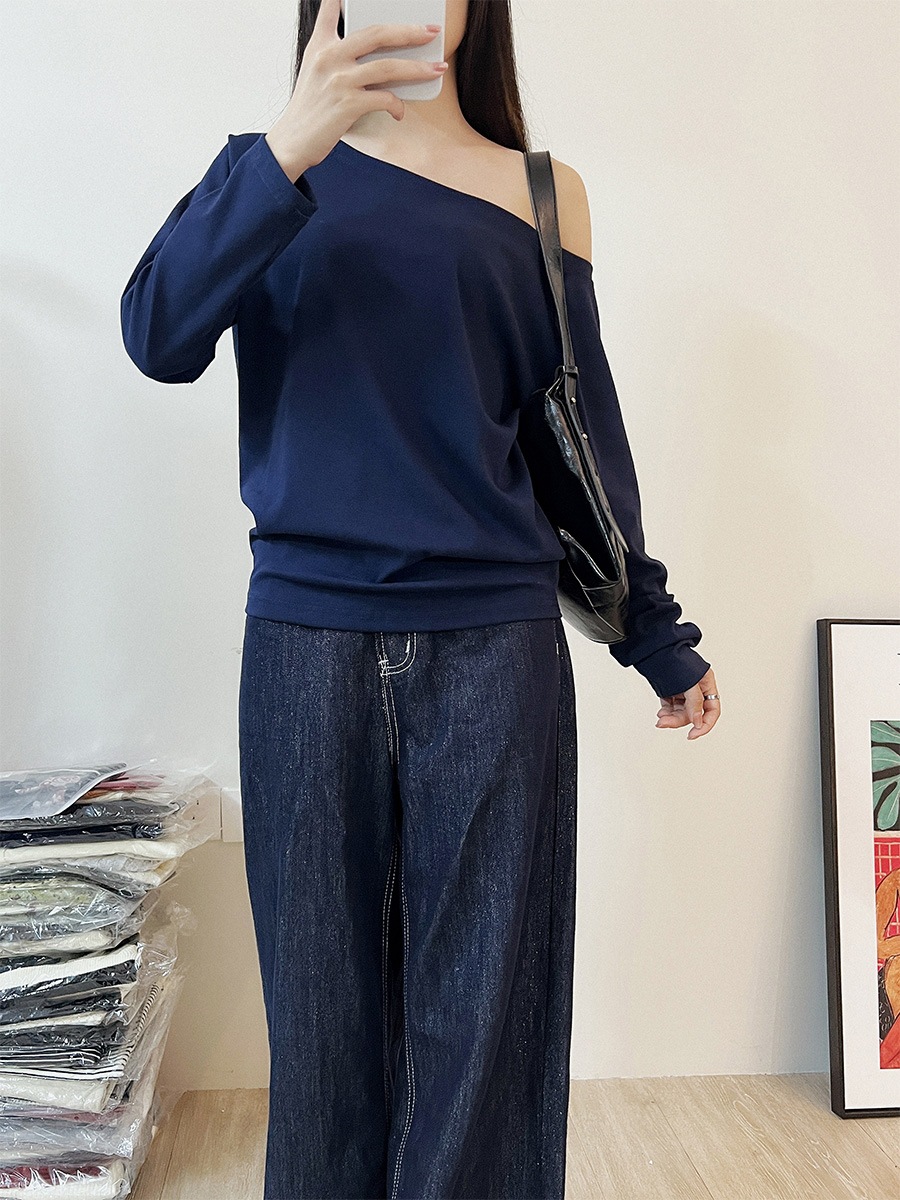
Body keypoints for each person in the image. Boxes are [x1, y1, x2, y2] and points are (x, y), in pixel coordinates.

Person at [120, 0, 721, 1196]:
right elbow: (158, 334)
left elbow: (576, 442)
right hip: (305, 645)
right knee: (323, 1028)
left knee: (483, 1022)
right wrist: (289, 147)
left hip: (496, 648)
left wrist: (653, 633)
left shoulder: (543, 194)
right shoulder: (268, 169)